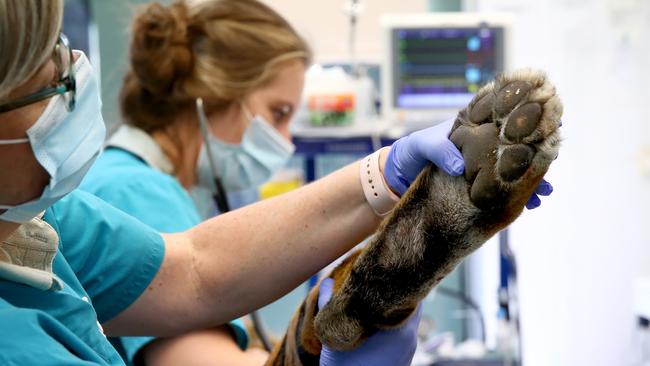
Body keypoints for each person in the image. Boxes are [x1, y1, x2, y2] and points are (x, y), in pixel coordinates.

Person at [0, 1, 552, 365]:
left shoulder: (33, 219)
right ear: (209, 99)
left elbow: (195, 271)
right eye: (48, 83)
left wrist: (385, 175)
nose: (70, 82)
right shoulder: (132, 190)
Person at [80, 1, 309, 364]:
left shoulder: (137, 179)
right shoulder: (136, 192)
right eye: (278, 114)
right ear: (214, 94)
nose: (286, 140)